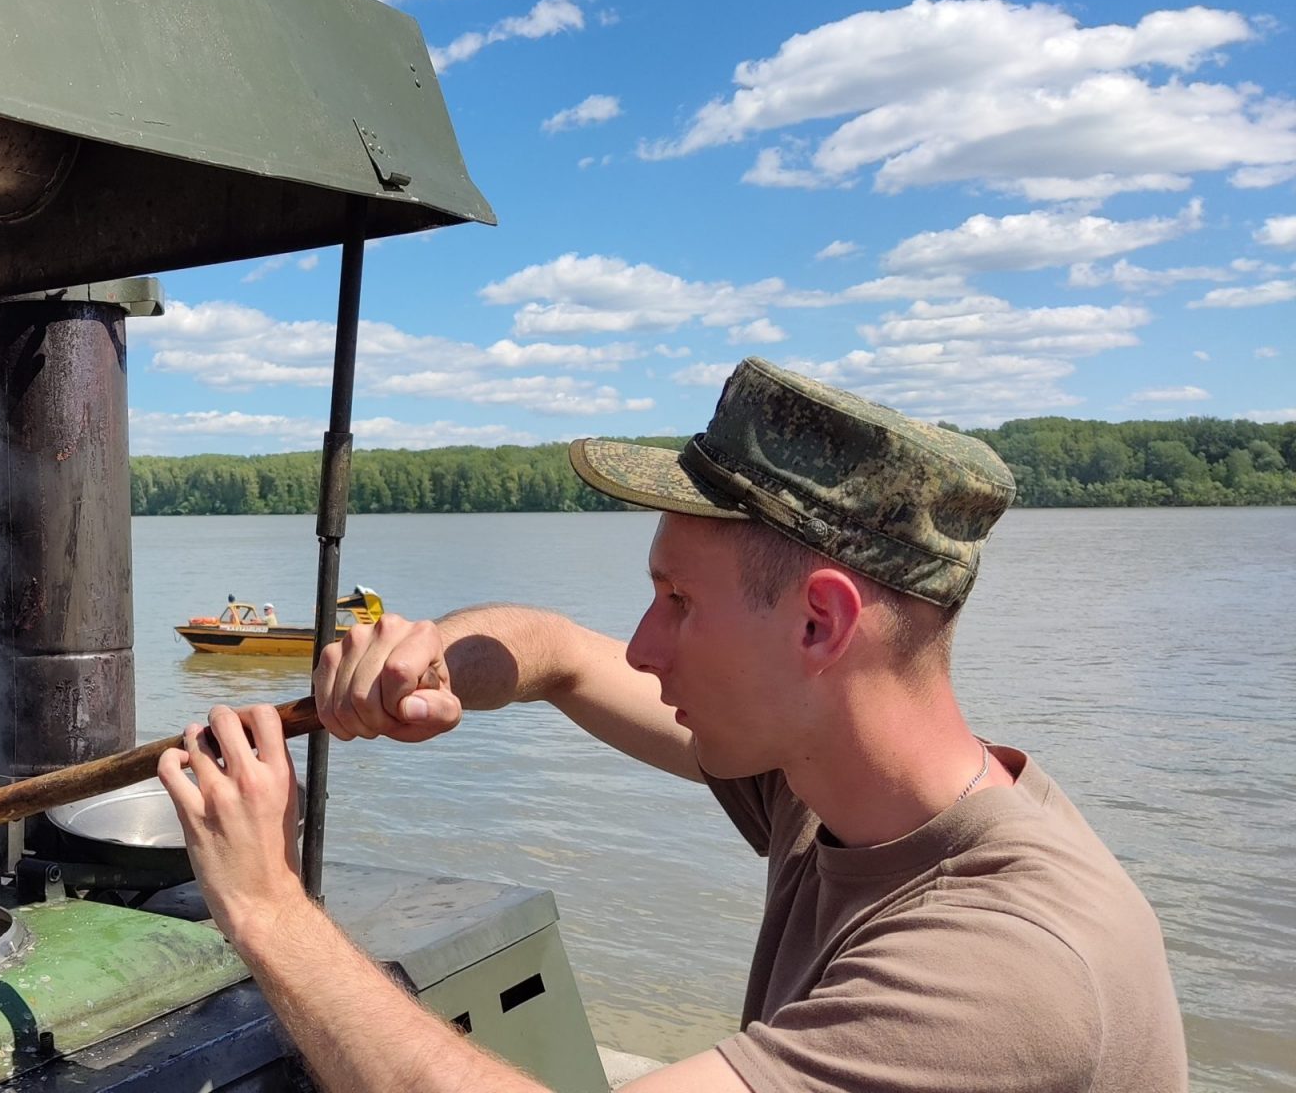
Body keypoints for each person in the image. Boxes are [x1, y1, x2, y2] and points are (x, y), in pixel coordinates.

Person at [157, 357, 1187, 1092]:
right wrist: (426, 670)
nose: (643, 649)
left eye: (677, 603)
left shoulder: (1002, 971)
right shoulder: (829, 787)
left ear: (820, 622)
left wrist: (265, 907)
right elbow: (555, 651)